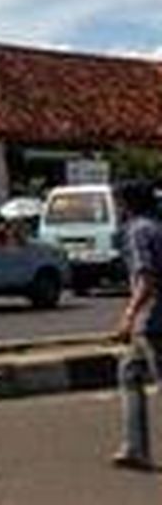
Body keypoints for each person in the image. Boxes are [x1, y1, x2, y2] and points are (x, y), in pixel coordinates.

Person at [112, 180, 162, 471]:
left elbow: (146, 278)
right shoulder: (157, 225)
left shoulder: (138, 231)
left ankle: (136, 447)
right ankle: (135, 447)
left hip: (154, 318)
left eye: (118, 202)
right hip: (153, 317)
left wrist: (129, 315)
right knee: (129, 372)